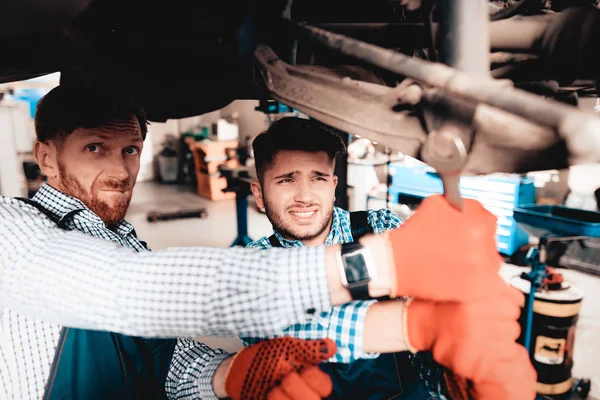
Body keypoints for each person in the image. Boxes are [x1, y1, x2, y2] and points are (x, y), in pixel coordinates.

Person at [0, 85, 535, 400]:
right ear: (46, 158)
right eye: (95, 147)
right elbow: (122, 289)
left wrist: (230, 377)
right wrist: (385, 276)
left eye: (131, 150)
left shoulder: (130, 248)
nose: (121, 170)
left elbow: (180, 371)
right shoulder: (11, 228)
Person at [176, 118, 537, 400]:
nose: (305, 196)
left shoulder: (381, 227)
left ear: (334, 186)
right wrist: (410, 313)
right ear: (258, 192)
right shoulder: (249, 265)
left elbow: (435, 343)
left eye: (318, 178)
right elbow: (284, 338)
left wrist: (456, 378)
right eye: (286, 180)